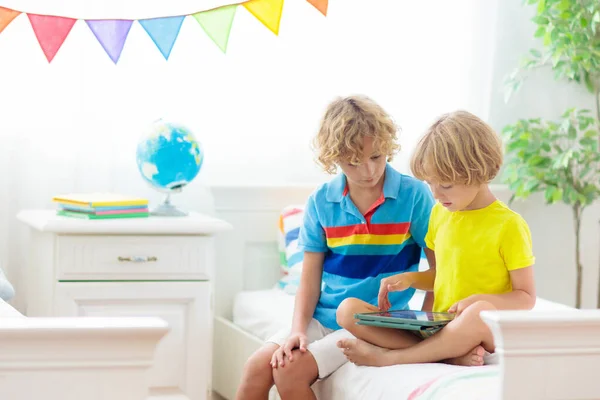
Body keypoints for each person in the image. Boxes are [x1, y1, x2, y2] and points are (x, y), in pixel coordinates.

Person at [235, 95, 435, 400]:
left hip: (375, 322)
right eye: (354, 162)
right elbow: (309, 279)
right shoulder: (321, 201)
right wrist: (298, 330)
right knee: (255, 370)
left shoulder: (414, 195)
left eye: (377, 157)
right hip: (322, 316)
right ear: (334, 160)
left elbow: (440, 269)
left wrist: (425, 333)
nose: (368, 171)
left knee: (290, 373)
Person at [336, 110, 536, 367]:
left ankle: (393, 358)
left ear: (478, 171)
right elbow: (441, 276)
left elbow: (526, 297)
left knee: (478, 313)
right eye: (430, 183)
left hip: (481, 329)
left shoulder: (509, 225)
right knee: (348, 310)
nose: (436, 193)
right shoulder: (440, 214)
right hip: (442, 324)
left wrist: (480, 301)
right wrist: (409, 279)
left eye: (446, 185)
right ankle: (448, 354)